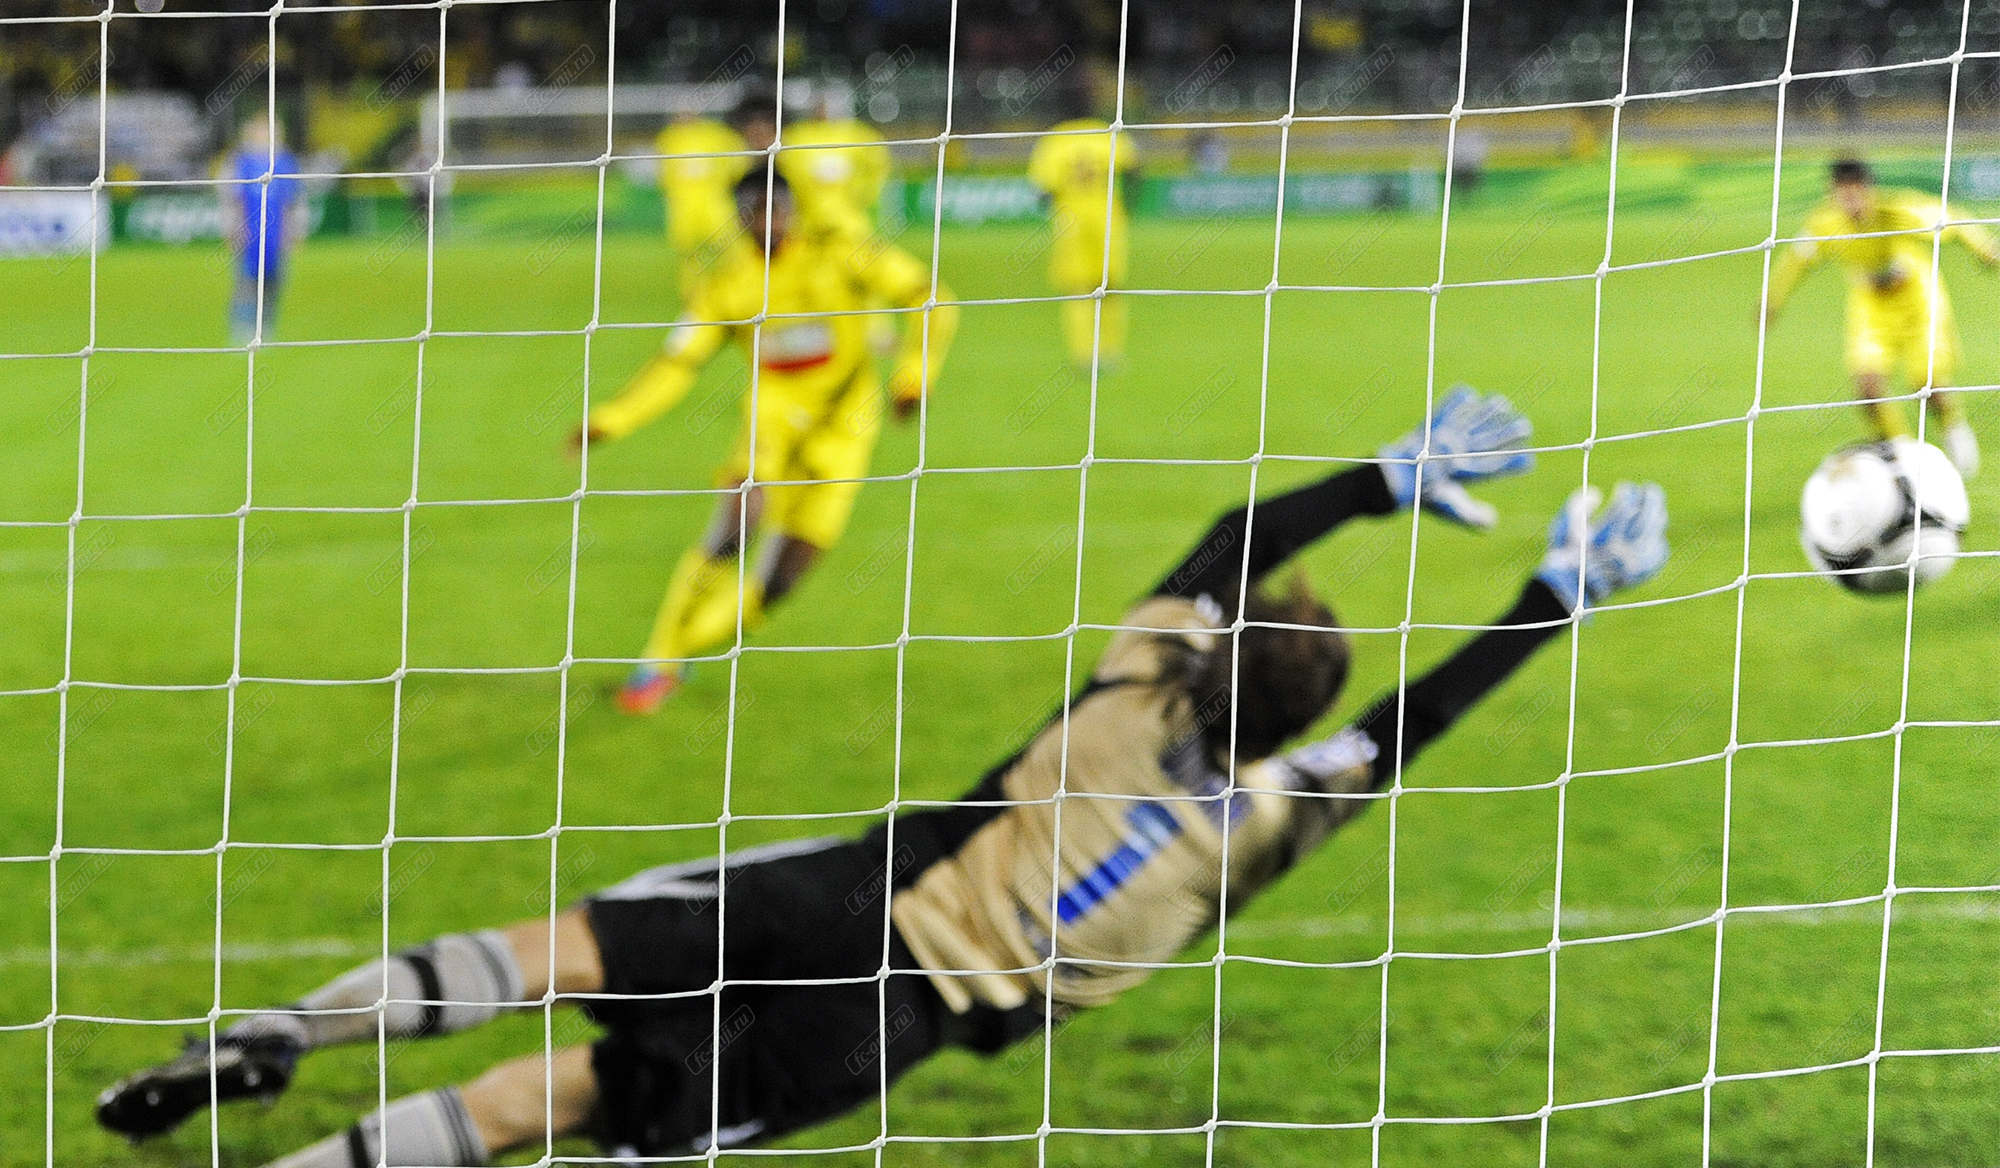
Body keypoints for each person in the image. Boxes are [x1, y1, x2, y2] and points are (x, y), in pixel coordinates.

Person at [95, 389, 1669, 1166]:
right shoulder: (1258, 825)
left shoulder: (1128, 696)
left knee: (544, 956)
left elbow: (1226, 545)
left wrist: (1382, 483)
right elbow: (1411, 728)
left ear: (1208, 661)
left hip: (845, 899)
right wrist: (1554, 601)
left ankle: (288, 1031)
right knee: (545, 1106)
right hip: (891, 1026)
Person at [579, 168, 957, 715]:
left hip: (844, 437)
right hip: (769, 433)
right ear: (737, 218)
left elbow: (930, 297)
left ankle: (680, 653)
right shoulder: (726, 283)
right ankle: (656, 663)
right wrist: (612, 419)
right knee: (732, 531)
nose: (765, 221)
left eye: (775, 209)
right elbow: (678, 362)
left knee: (777, 584)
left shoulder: (840, 253)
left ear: (793, 210)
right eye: (752, 212)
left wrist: (913, 376)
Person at [1763, 157, 2000, 477]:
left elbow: (1953, 220)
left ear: (1869, 190)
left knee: (1928, 384)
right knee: (1868, 389)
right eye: (1842, 194)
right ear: (1832, 194)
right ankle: (1905, 456)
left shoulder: (1896, 211)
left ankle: (1953, 426)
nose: (1850, 202)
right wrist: (1772, 300)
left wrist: (1985, 248)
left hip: (1917, 302)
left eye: (1856, 193)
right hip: (1872, 308)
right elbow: (1796, 261)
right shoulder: (1824, 224)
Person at [1027, 80, 1140, 373]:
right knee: (1111, 287)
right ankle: (1112, 353)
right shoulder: (1108, 132)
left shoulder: (1055, 140)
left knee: (1077, 289)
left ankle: (1083, 355)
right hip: (1107, 217)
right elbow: (1134, 169)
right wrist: (1128, 205)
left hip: (1071, 221)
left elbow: (1042, 190)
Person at [218, 112, 306, 344]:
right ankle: (242, 328)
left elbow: (295, 201)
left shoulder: (286, 161)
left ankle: (265, 328)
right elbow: (229, 199)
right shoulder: (239, 161)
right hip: (247, 235)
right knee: (245, 282)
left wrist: (296, 232)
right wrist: (230, 229)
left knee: (274, 282)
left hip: (278, 236)